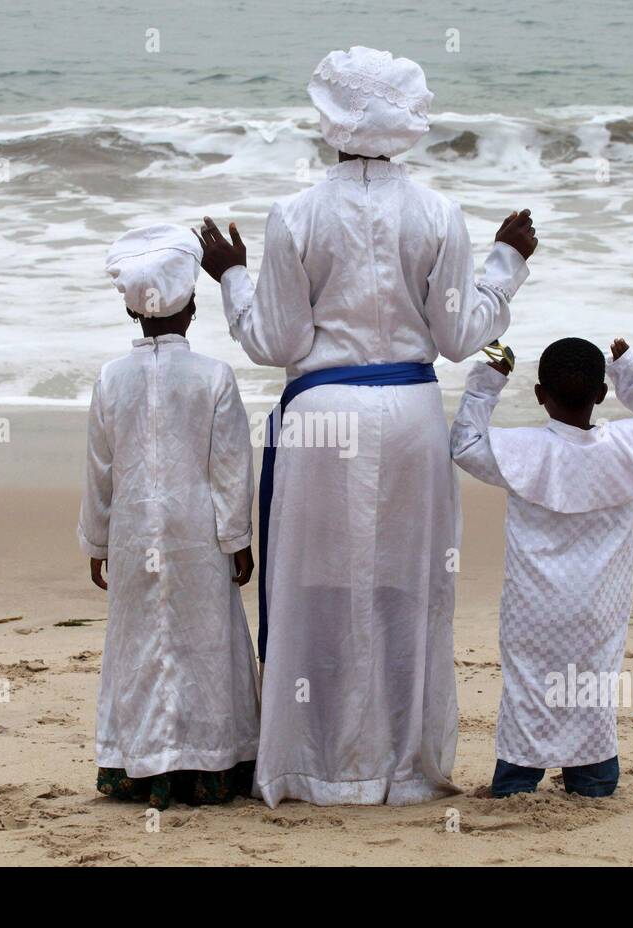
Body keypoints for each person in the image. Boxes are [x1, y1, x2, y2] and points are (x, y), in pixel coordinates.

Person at [196, 46, 538, 807]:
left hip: (323, 416)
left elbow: (275, 344)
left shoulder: (295, 215)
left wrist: (231, 277)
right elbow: (459, 337)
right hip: (412, 412)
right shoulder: (438, 214)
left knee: (312, 589)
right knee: (405, 588)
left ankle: (309, 765)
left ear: (331, 122)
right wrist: (506, 264)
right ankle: (401, 767)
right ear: (407, 122)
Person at [449, 337, 633, 797]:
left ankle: (516, 782)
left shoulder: (522, 449)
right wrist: (629, 370)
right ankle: (593, 780)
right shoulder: (628, 446)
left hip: (532, 603)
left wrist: (492, 376)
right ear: (601, 394)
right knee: (593, 682)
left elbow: (464, 442)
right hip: (601, 603)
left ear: (540, 394)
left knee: (528, 686)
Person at [78, 224, 260, 810]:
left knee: (138, 643)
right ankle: (206, 767)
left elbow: (100, 469)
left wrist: (97, 541)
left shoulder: (110, 378)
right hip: (197, 532)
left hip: (133, 531)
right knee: (205, 642)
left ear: (133, 313)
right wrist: (237, 537)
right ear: (193, 307)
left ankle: (143, 767)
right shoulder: (213, 376)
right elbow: (230, 467)